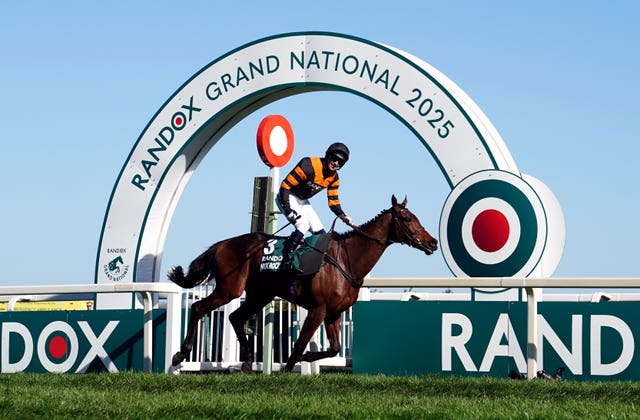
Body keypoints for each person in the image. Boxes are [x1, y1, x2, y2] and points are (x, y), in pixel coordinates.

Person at [276, 142, 353, 259]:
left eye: (340, 162)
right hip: (286, 196)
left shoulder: (334, 178)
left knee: (320, 232)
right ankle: (285, 259)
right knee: (303, 225)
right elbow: (285, 186)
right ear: (328, 156)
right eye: (334, 159)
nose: (336, 163)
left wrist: (343, 216)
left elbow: (333, 202)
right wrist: (288, 209)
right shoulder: (308, 165)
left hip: (302, 200)